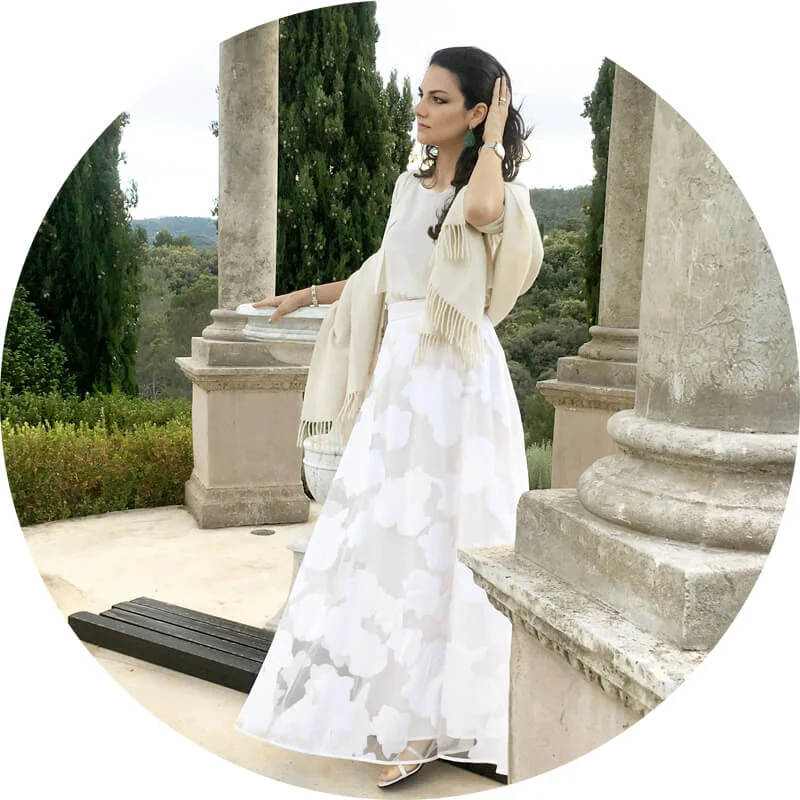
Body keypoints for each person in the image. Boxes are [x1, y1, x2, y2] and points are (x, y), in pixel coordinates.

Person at [235, 46, 544, 789]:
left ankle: (445, 721)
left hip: (459, 378)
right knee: (389, 539)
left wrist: (492, 140)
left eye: (440, 99)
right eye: (421, 94)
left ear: (477, 112)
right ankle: (396, 711)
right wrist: (307, 296)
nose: (420, 108)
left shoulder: (500, 190)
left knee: (456, 541)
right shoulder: (410, 186)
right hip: (404, 380)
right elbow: (382, 273)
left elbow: (480, 212)